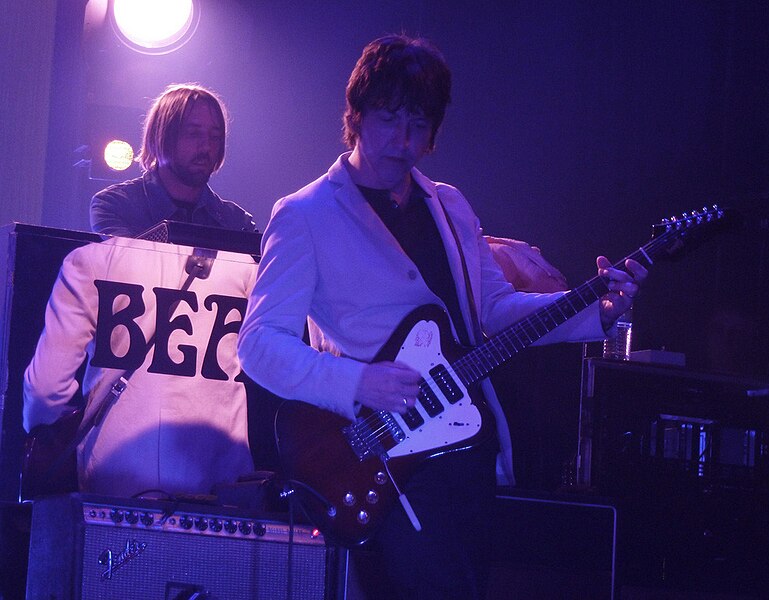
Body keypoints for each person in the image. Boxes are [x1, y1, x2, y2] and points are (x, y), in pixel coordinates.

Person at [237, 34, 646, 599]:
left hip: (470, 447)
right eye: (388, 120)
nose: (403, 142)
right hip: (386, 457)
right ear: (353, 115)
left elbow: (496, 311)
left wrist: (595, 311)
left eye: (419, 126)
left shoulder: (449, 204)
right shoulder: (306, 214)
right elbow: (258, 345)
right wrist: (359, 382)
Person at [23, 236, 256, 498]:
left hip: (114, 475)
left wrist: (40, 428)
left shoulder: (89, 260)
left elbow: (45, 388)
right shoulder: (243, 265)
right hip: (217, 478)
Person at [89, 83, 257, 237]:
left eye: (215, 136)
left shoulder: (238, 222)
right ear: (160, 135)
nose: (206, 147)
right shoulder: (116, 205)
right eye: (193, 133)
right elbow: (129, 266)